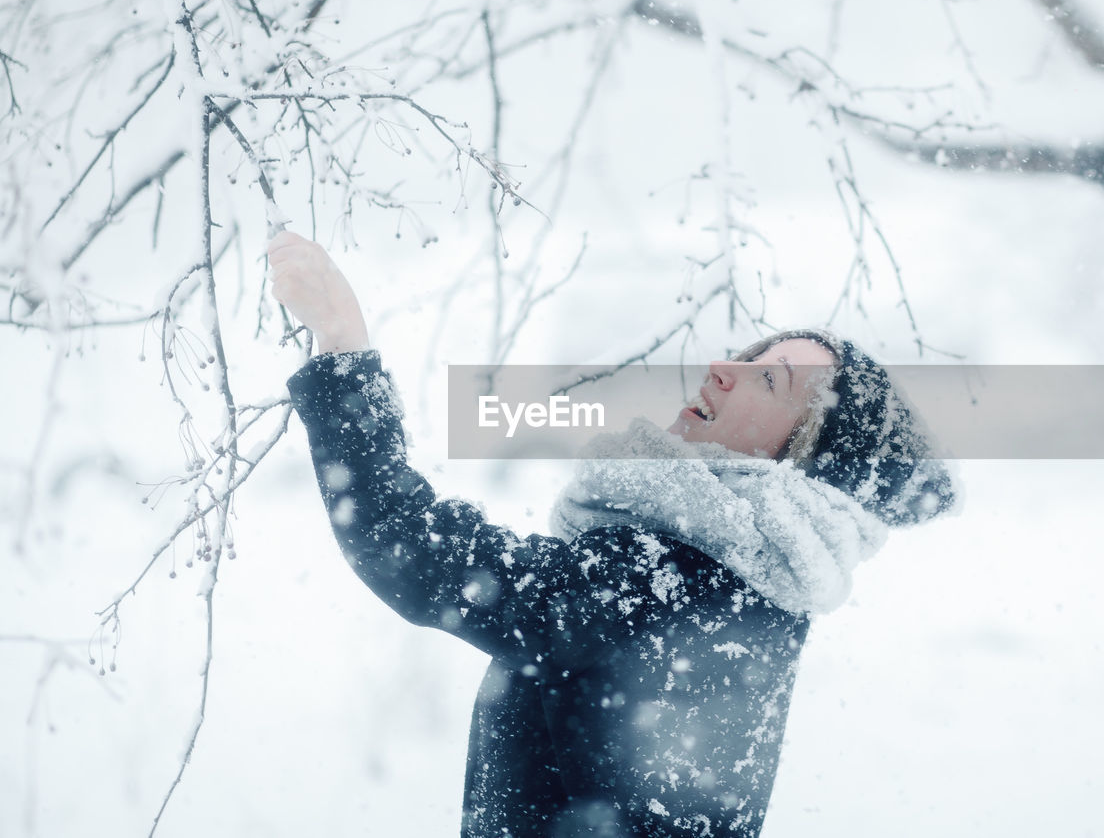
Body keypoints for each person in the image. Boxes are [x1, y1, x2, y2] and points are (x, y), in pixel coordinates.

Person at [270, 232, 958, 837]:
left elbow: (409, 544)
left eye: (767, 378)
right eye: (749, 353)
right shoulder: (754, 588)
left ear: (797, 463)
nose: (724, 367)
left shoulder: (669, 582)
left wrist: (342, 342)